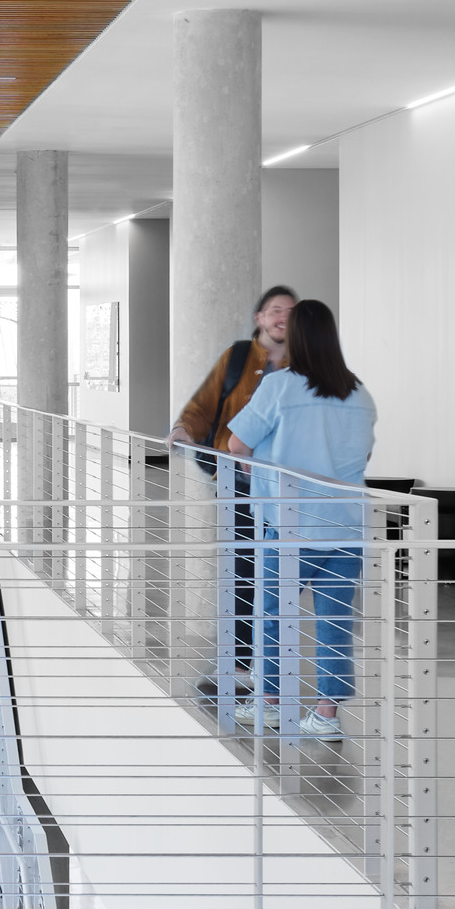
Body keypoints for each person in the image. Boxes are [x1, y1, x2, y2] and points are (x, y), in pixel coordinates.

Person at [230, 296, 378, 739]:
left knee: (275, 615)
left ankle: (271, 702)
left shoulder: (281, 386)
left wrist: (261, 462)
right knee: (335, 622)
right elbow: (364, 454)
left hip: (292, 525)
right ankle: (326, 716)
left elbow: (238, 445)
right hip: (347, 525)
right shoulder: (359, 393)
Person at [172, 285, 293, 705]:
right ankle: (244, 665)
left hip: (283, 488)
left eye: (291, 312)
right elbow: (205, 404)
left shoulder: (306, 367)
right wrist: (183, 428)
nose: (283, 318)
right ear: (260, 317)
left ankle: (270, 676)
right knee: (244, 570)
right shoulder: (239, 358)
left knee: (274, 577)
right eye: (276, 311)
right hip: (237, 484)